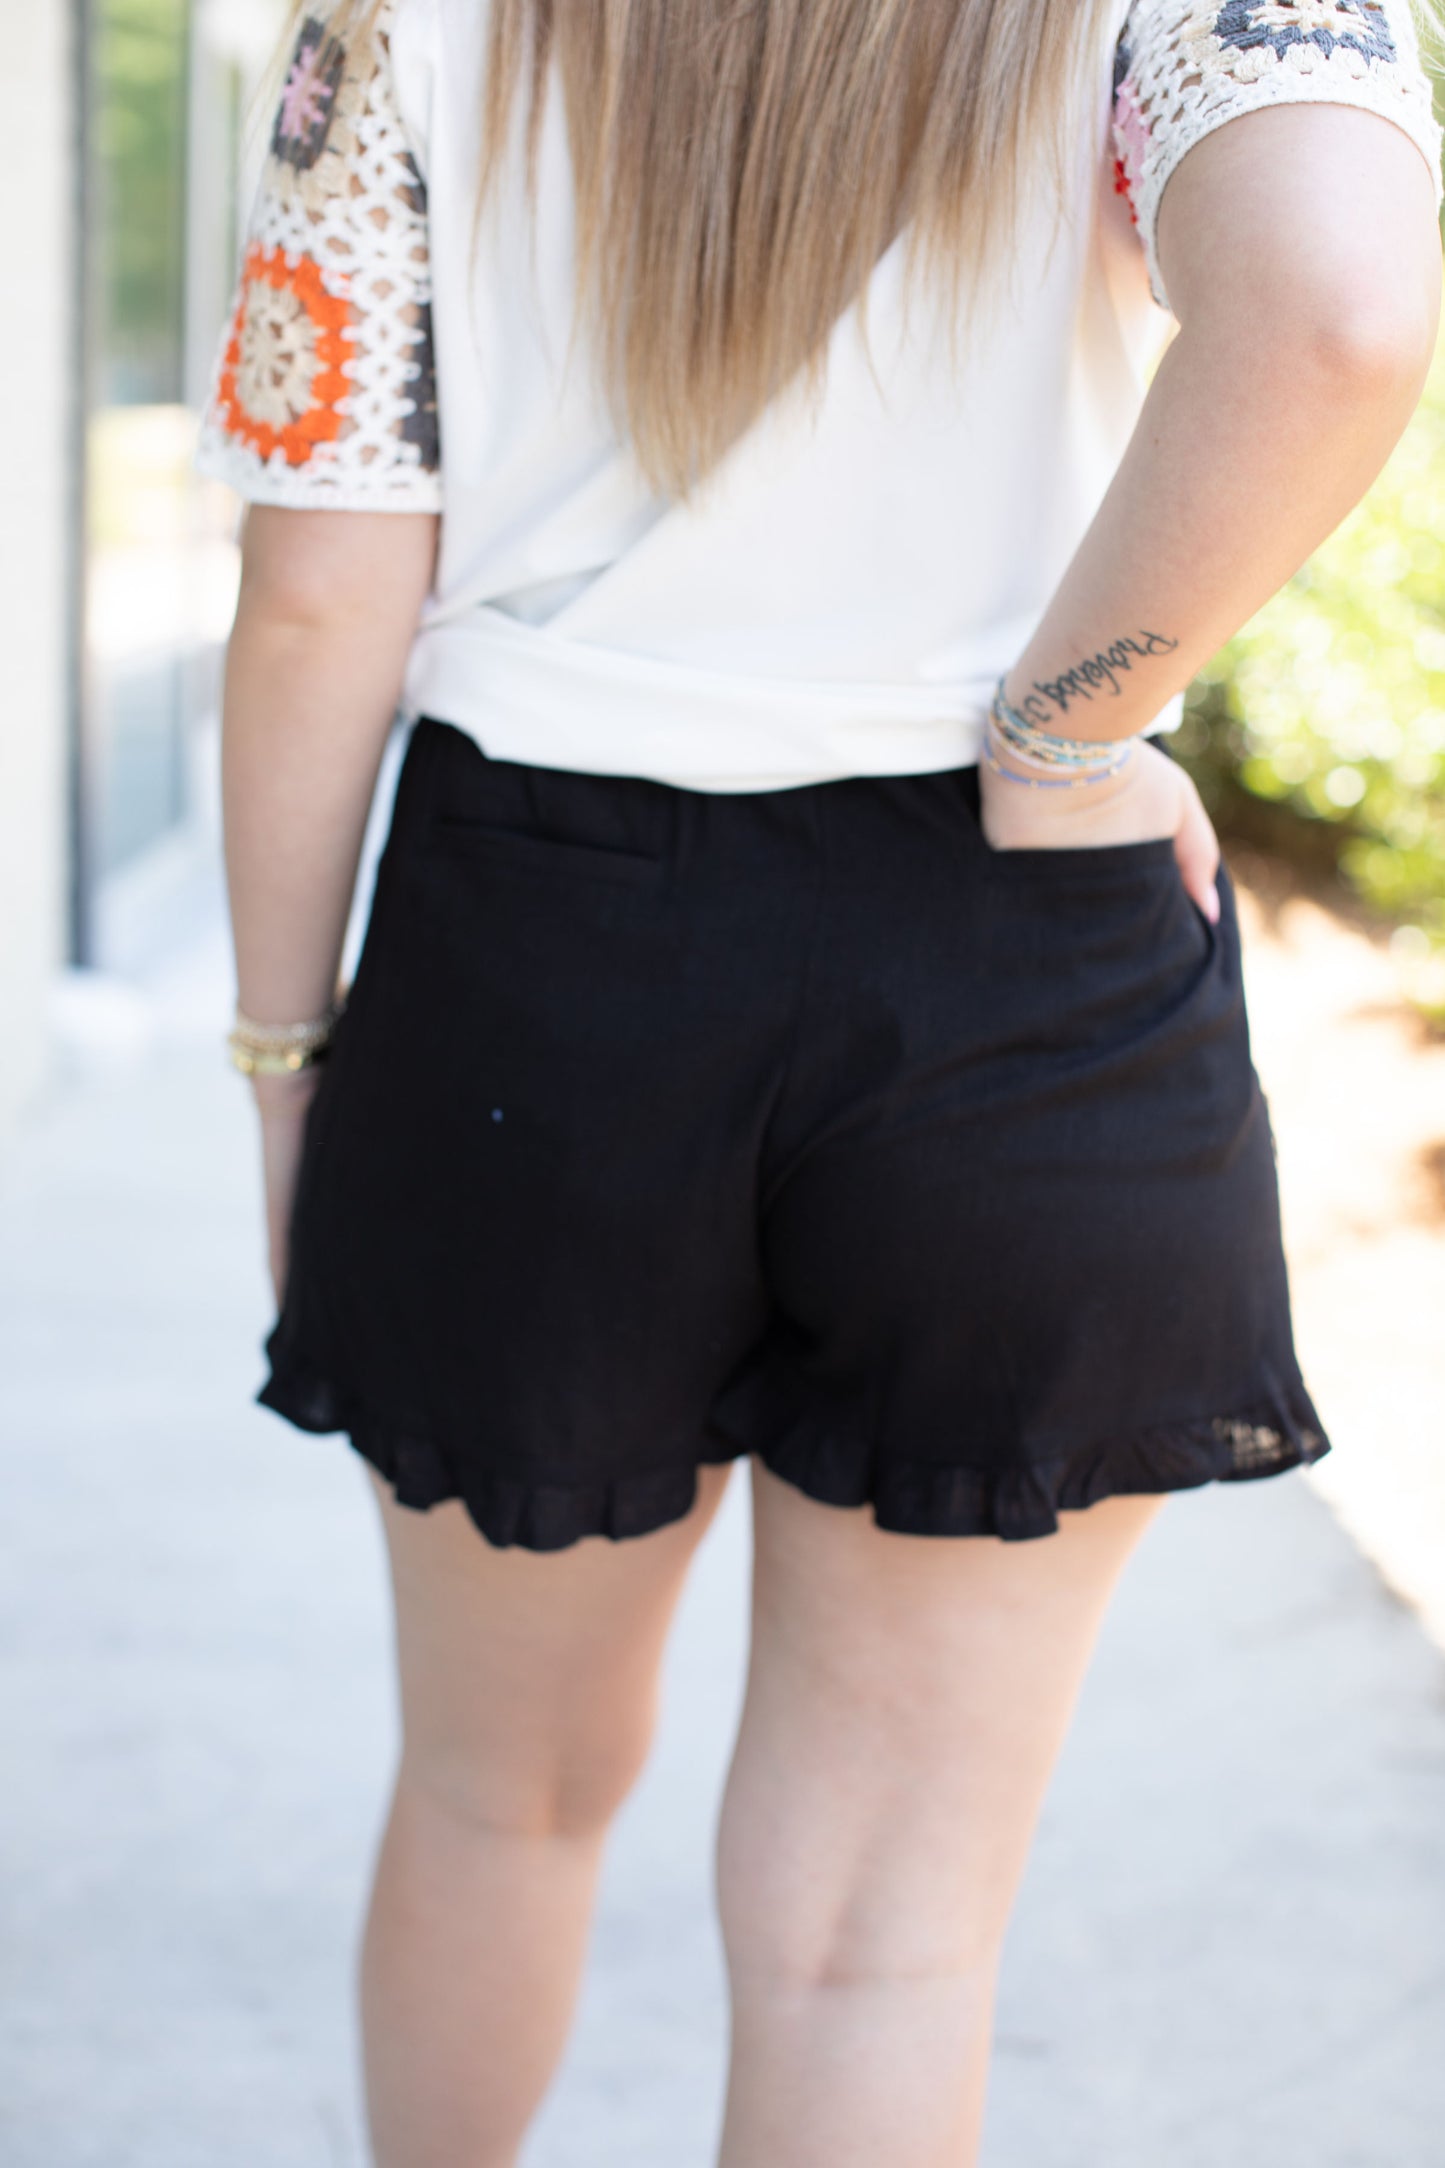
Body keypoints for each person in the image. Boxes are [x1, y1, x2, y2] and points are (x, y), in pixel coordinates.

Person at [197, 1, 1443, 2160]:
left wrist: (290, 1060)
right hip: (1014, 960)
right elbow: (1337, 306)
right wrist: (1072, 728)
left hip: (538, 967)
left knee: (499, 1798)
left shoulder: (388, 21)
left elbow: (318, 594)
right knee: (879, 1934)